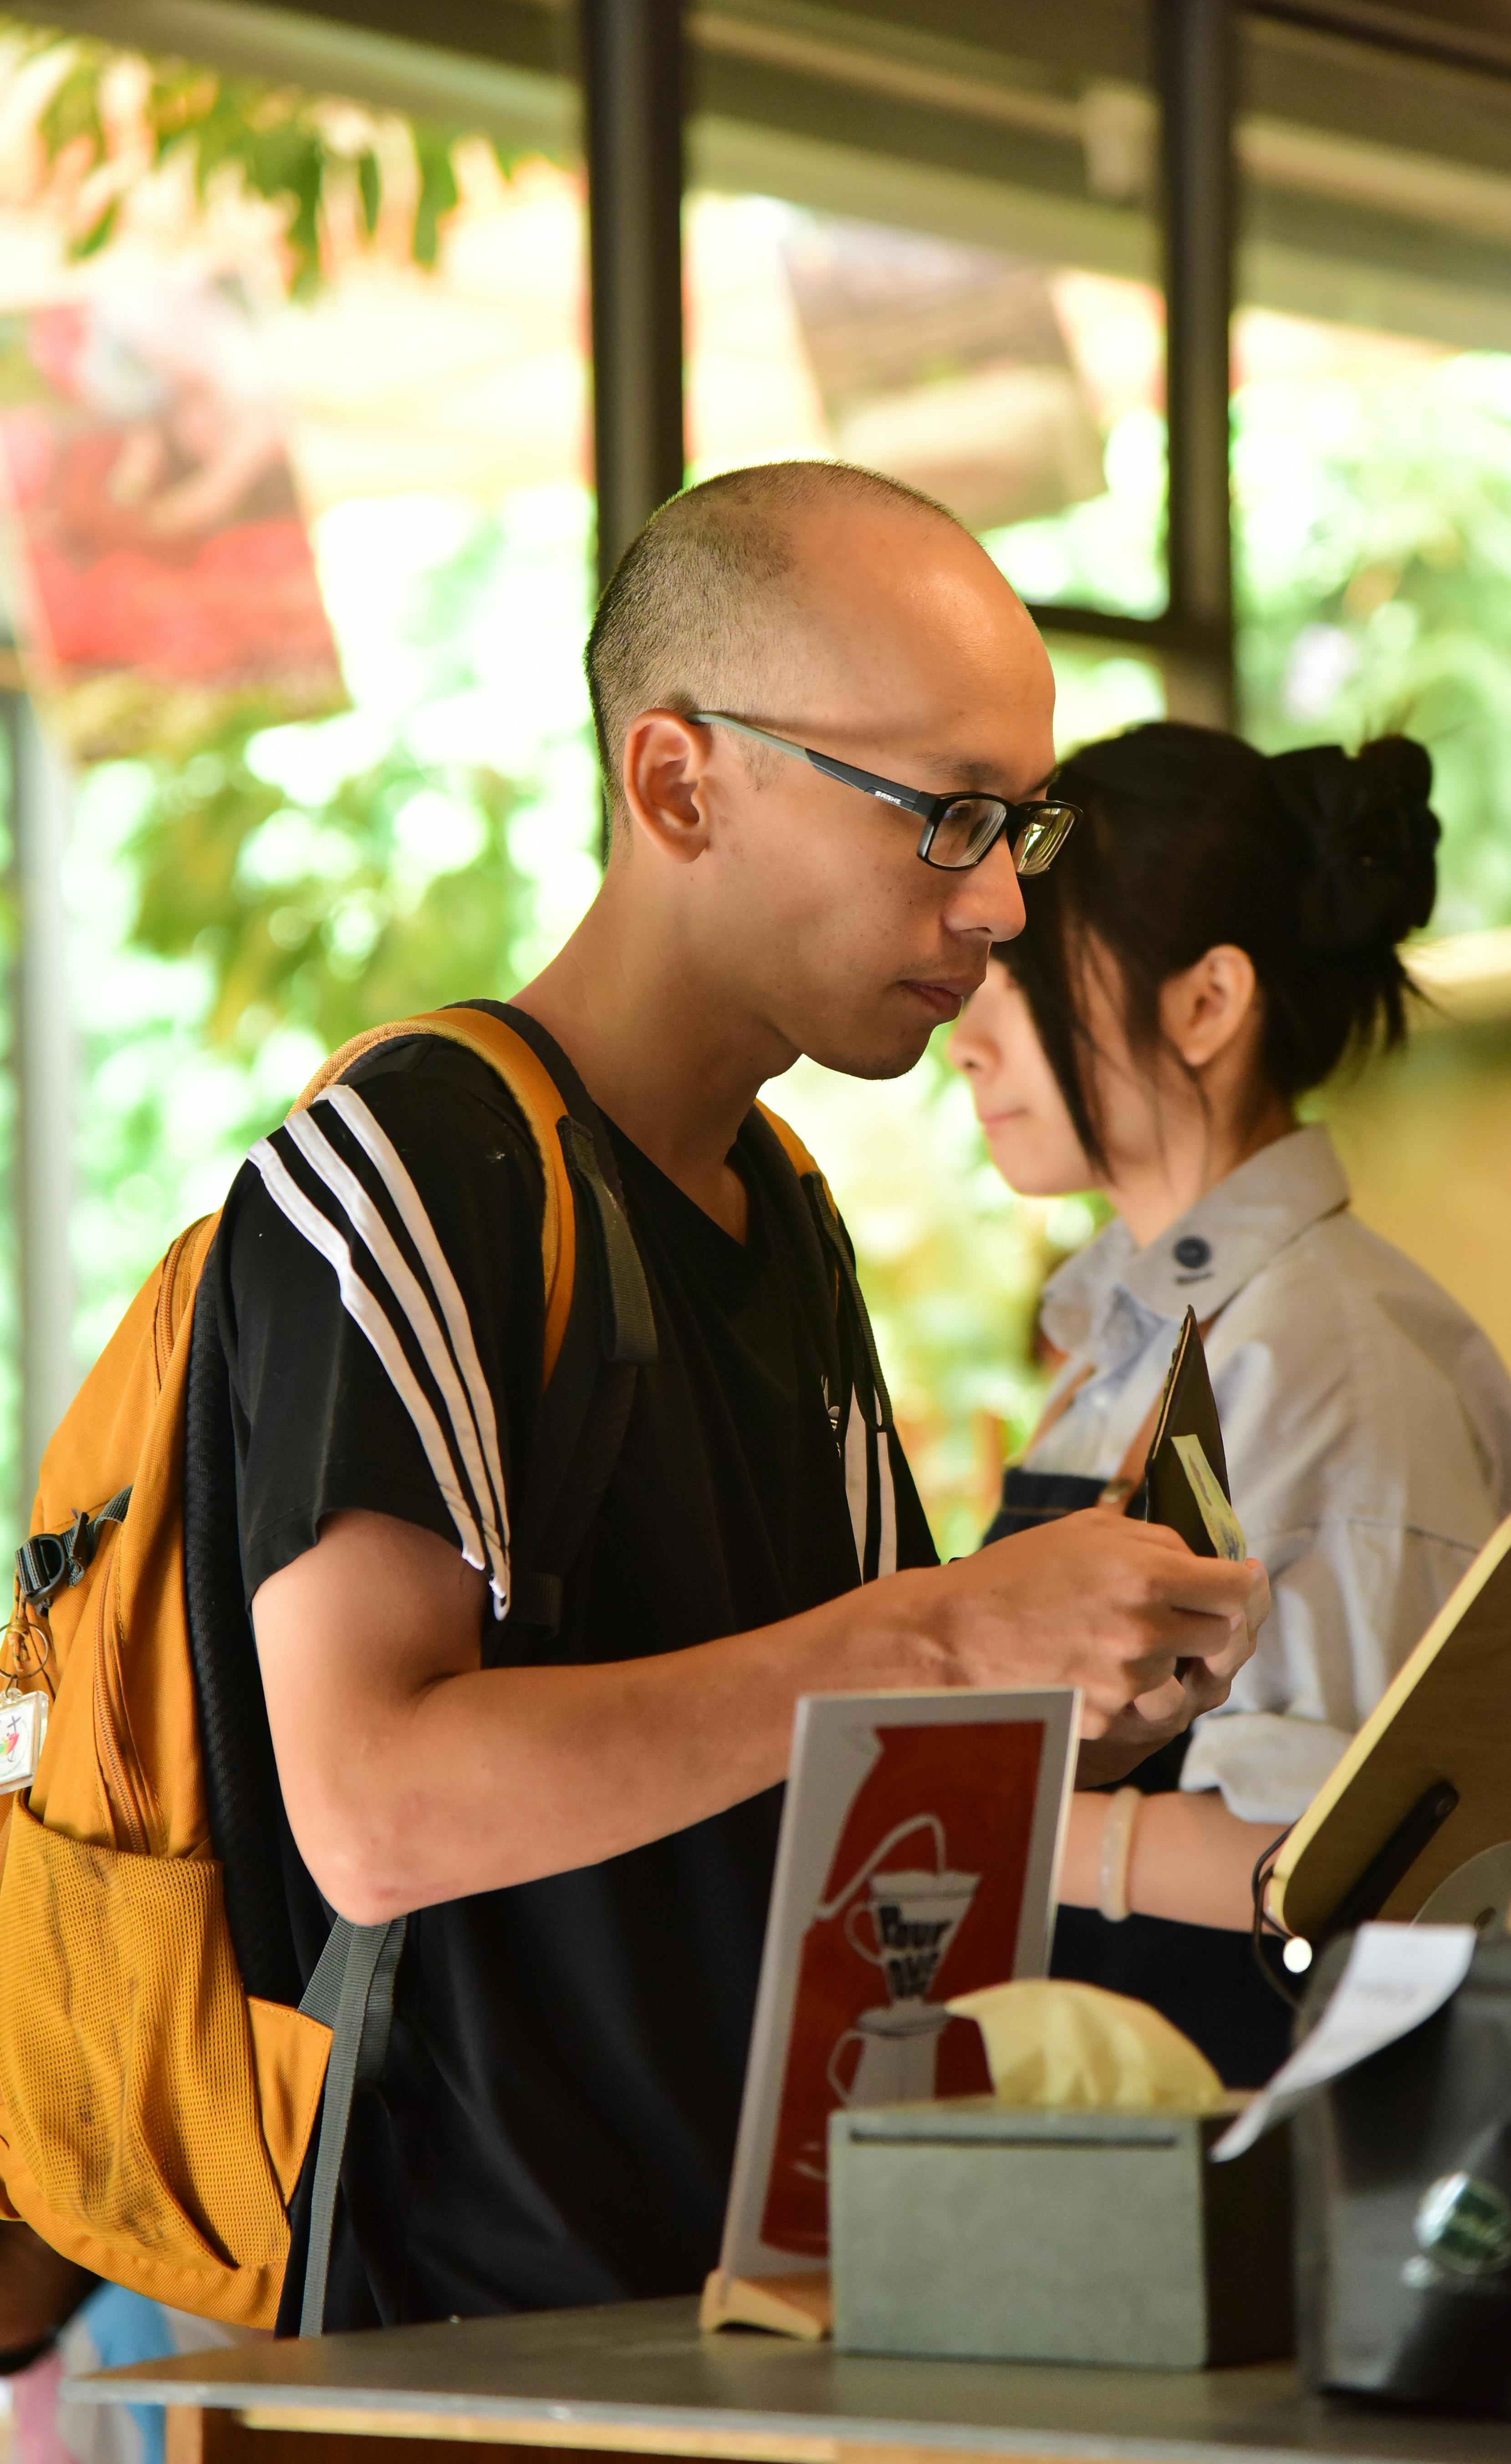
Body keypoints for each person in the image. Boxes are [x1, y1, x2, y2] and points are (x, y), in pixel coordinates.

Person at [215, 464, 1269, 2329]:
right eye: (945, 817)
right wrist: (941, 1636)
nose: (1000, 903)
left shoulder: (779, 1205)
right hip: (473, 2354)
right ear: (678, 783)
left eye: (1018, 825)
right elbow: (373, 1811)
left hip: (761, 2304)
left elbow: (827, 1770)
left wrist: (1079, 1702)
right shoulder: (413, 1163)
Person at [950, 721, 1511, 2084]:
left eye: (1024, 973)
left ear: (1209, 1003)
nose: (966, 1040)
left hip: (1261, 2132)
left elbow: (1369, 1857)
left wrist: (971, 1818)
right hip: (1118, 2116)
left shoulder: (1325, 1352)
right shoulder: (1129, 1337)